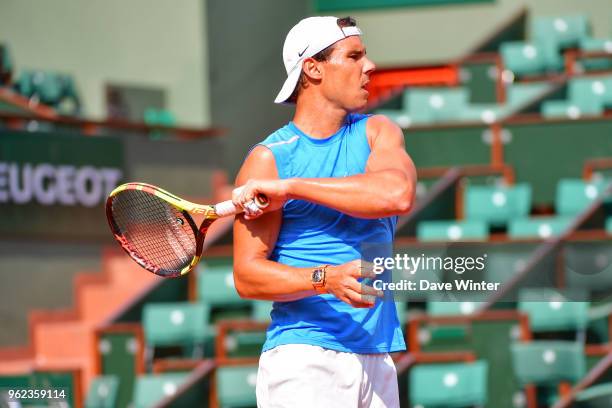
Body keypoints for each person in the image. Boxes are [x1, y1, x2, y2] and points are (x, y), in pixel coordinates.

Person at [232, 15, 417, 408]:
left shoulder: (379, 131)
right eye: (353, 56)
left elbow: (397, 193)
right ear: (312, 68)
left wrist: (293, 188)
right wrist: (324, 278)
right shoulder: (268, 159)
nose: (369, 67)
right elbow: (248, 276)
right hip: (305, 359)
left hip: (377, 355)